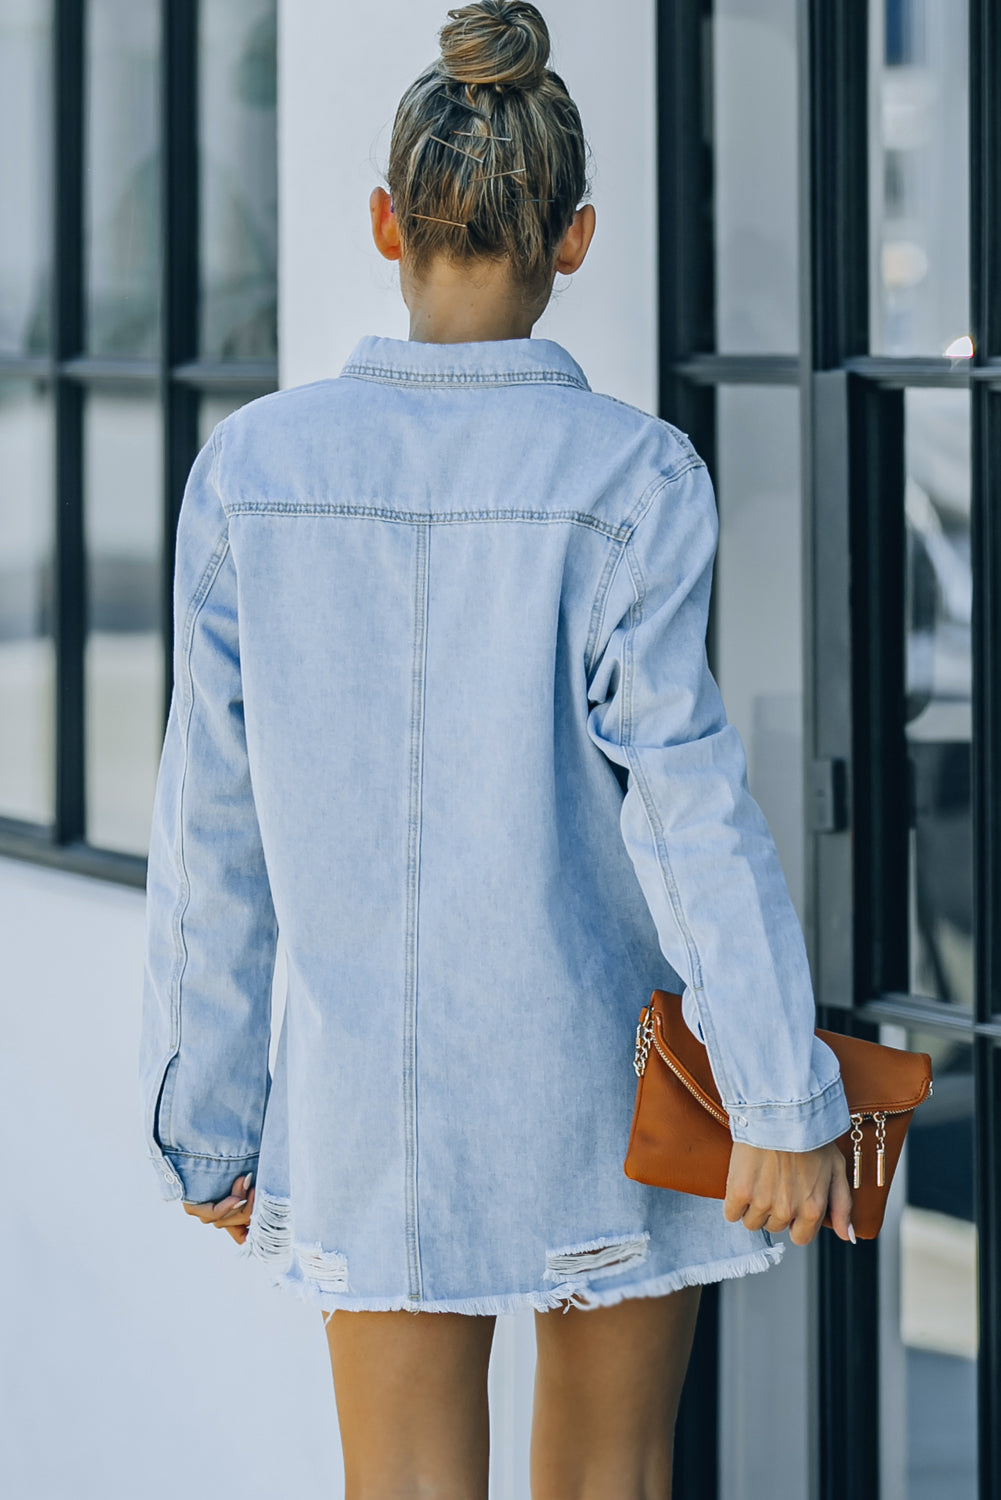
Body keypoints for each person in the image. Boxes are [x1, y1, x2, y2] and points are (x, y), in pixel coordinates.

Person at [139, 3, 854, 1495]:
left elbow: (211, 828)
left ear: (387, 219)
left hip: (360, 1102)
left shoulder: (253, 475)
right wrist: (782, 1096)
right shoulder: (633, 477)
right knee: (609, 1479)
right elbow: (685, 801)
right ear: (575, 237)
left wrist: (207, 1118)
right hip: (603, 1082)